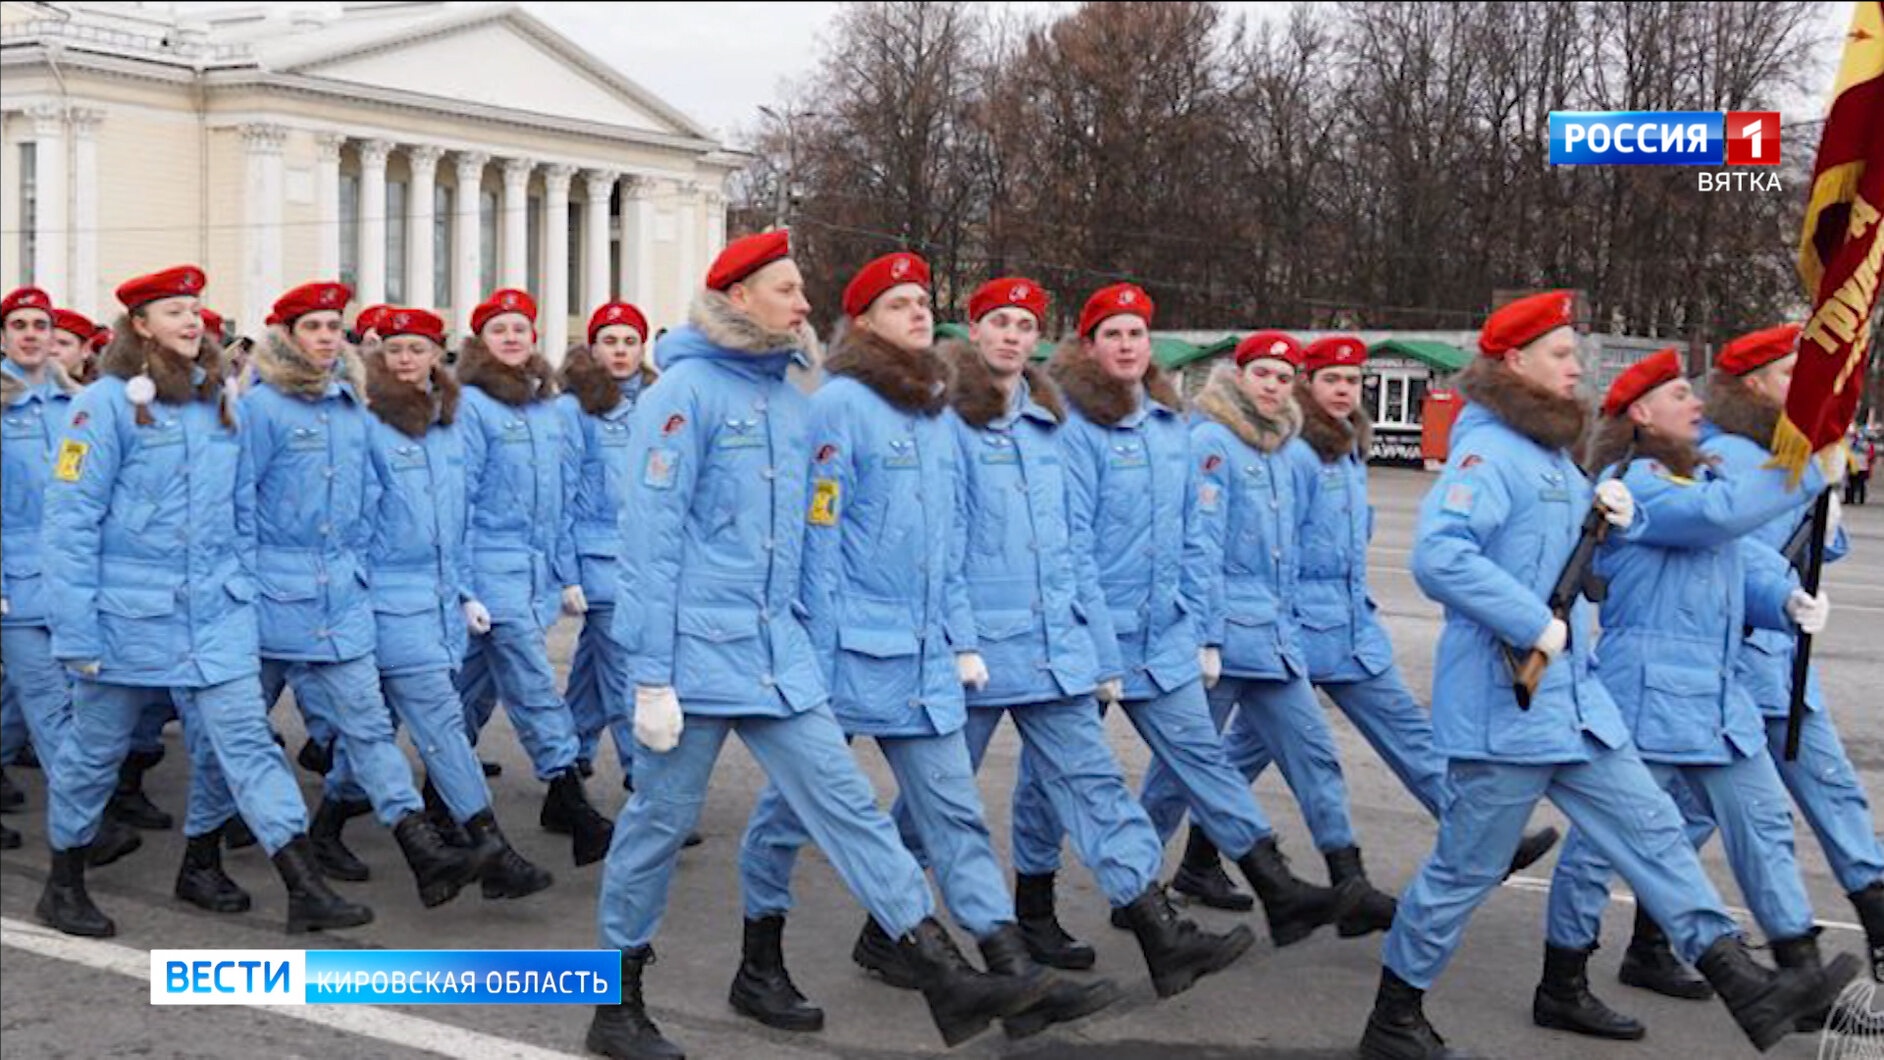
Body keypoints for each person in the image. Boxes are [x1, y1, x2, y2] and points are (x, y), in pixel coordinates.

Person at [590, 231, 1049, 1060]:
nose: (805, 304)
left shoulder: (792, 399)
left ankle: (940, 967)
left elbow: (812, 534)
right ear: (737, 297)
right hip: (694, 658)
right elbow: (649, 545)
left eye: (802, 290)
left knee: (847, 807)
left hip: (777, 657)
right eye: (787, 289)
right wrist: (650, 675)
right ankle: (616, 1003)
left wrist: (813, 640)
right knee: (658, 823)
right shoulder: (682, 393)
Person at [1358, 291, 1854, 1059]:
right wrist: (1530, 621)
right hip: (1506, 706)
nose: (1574, 365)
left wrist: (1606, 512)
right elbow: (1441, 556)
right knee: (1465, 870)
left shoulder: (1551, 453)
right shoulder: (1488, 452)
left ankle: (1742, 983)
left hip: (1578, 705)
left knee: (1655, 834)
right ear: (1514, 363)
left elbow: (1622, 548)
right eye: (1559, 353)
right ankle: (1396, 1017)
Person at [738, 254, 1116, 1040]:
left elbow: (947, 544)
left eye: (922, 302)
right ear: (866, 320)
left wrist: (957, 639)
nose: (918, 313)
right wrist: (813, 648)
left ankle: (1011, 972)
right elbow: (819, 534)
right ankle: (759, 962)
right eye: (899, 303)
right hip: (845, 653)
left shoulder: (939, 412)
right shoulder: (838, 405)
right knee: (791, 816)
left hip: (922, 658)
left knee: (955, 815)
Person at [907, 275, 1254, 997]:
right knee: (934, 801)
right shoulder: (948, 423)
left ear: (1040, 339)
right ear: (975, 332)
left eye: (1024, 325)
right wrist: (959, 640)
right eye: (999, 322)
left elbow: (1069, 550)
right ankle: (889, 931)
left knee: (1096, 786)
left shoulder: (1044, 421)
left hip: (1049, 647)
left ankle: (1162, 935)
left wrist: (1093, 648)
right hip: (973, 651)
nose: (1011, 335)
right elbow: (941, 542)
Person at [1013, 284, 1357, 959]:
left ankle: (1276, 886)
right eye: (1111, 334)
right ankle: (1034, 909)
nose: (1126, 346)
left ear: (1151, 346)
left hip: (1164, 632)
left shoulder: (1168, 427)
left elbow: (1194, 537)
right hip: (1090, 634)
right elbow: (1071, 545)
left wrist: (1199, 630)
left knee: (1203, 757)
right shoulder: (1072, 428)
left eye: (1136, 334)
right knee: (1051, 779)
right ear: (1088, 345)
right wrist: (1103, 652)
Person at [39, 265, 371, 937]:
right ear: (139, 325)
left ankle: (297, 885)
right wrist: (75, 632)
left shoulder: (216, 399)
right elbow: (70, 522)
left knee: (247, 744)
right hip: (126, 617)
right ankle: (63, 881)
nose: (192, 321)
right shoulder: (103, 404)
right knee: (93, 754)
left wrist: (242, 591)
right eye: (172, 311)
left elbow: (239, 508)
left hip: (214, 613)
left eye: (195, 309)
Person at [1536, 348, 1858, 1039]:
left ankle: (1797, 967)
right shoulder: (1637, 482)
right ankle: (1562, 979)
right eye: (1681, 394)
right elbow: (1714, 521)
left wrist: (1787, 601)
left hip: (1714, 691)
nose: (1698, 404)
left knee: (1764, 821)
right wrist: (1807, 469)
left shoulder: (1695, 474)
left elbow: (1739, 560)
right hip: (1646, 687)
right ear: (1643, 415)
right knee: (1604, 847)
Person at [1178, 334, 1557, 917]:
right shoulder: (1297, 452)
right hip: (1296, 629)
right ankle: (1200, 863)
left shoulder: (1350, 448)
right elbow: (1279, 546)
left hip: (1352, 631)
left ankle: (1482, 839)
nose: (1342, 391)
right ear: (1310, 385)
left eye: (1352, 382)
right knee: (1245, 756)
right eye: (1330, 380)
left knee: (1408, 734)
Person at [244, 280, 483, 910]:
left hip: (339, 598)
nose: (326, 337)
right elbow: (236, 507)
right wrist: (235, 591)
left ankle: (420, 849)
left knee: (371, 728)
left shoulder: (348, 405)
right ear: (288, 337)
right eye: (313, 327)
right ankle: (200, 854)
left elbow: (367, 503)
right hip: (271, 596)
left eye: (333, 327)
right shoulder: (261, 408)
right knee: (238, 735)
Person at [316, 306, 555, 901]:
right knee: (441, 723)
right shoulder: (366, 421)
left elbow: (462, 515)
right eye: (394, 349)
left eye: (417, 349)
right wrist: (356, 596)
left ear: (436, 355)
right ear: (379, 355)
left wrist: (467, 590)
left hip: (440, 599)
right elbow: (350, 518)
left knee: (387, 728)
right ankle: (491, 847)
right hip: (389, 599)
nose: (405, 360)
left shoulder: (448, 423)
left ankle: (324, 826)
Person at [1701, 325, 1884, 984]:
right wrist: (1783, 596)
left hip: (1777, 665)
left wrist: (1827, 523)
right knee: (1695, 813)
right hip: (1735, 661)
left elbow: (1804, 544)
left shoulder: (1789, 451)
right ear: (1753, 386)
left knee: (1833, 792)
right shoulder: (1723, 454)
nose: (1802, 390)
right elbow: (1735, 547)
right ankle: (1630, 948)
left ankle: (1872, 920)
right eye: (1789, 377)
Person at [452, 287, 615, 867]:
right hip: (492, 569)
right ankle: (571, 798)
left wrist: (561, 570)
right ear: (481, 342)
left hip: (532, 571)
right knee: (532, 685)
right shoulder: (470, 405)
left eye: (522, 328)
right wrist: (465, 586)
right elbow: (460, 499)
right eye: (501, 330)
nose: (514, 338)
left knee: (471, 692)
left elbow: (564, 494)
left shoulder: (545, 407)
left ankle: (379, 799)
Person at [558, 302, 657, 784]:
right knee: (625, 667)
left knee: (593, 665)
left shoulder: (659, 404)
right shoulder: (573, 408)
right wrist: (567, 573)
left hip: (644, 555)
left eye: (629, 341)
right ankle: (643, 775)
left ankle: (570, 761)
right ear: (592, 348)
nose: (620, 351)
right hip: (597, 555)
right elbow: (562, 492)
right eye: (610, 341)